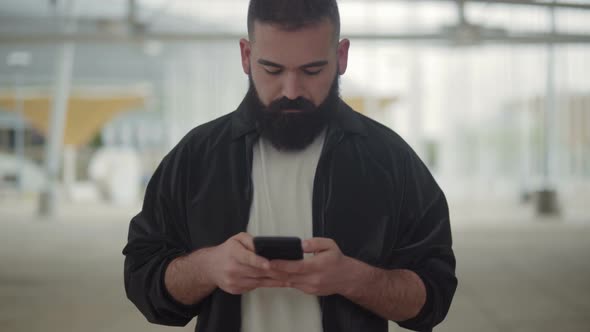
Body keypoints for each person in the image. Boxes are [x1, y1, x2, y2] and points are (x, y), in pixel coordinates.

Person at [122, 0, 457, 331]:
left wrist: (352, 278)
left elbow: (434, 298)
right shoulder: (197, 156)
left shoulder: (390, 160)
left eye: (312, 70)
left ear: (341, 57)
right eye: (272, 70)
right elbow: (143, 283)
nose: (292, 90)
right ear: (245, 56)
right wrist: (208, 267)